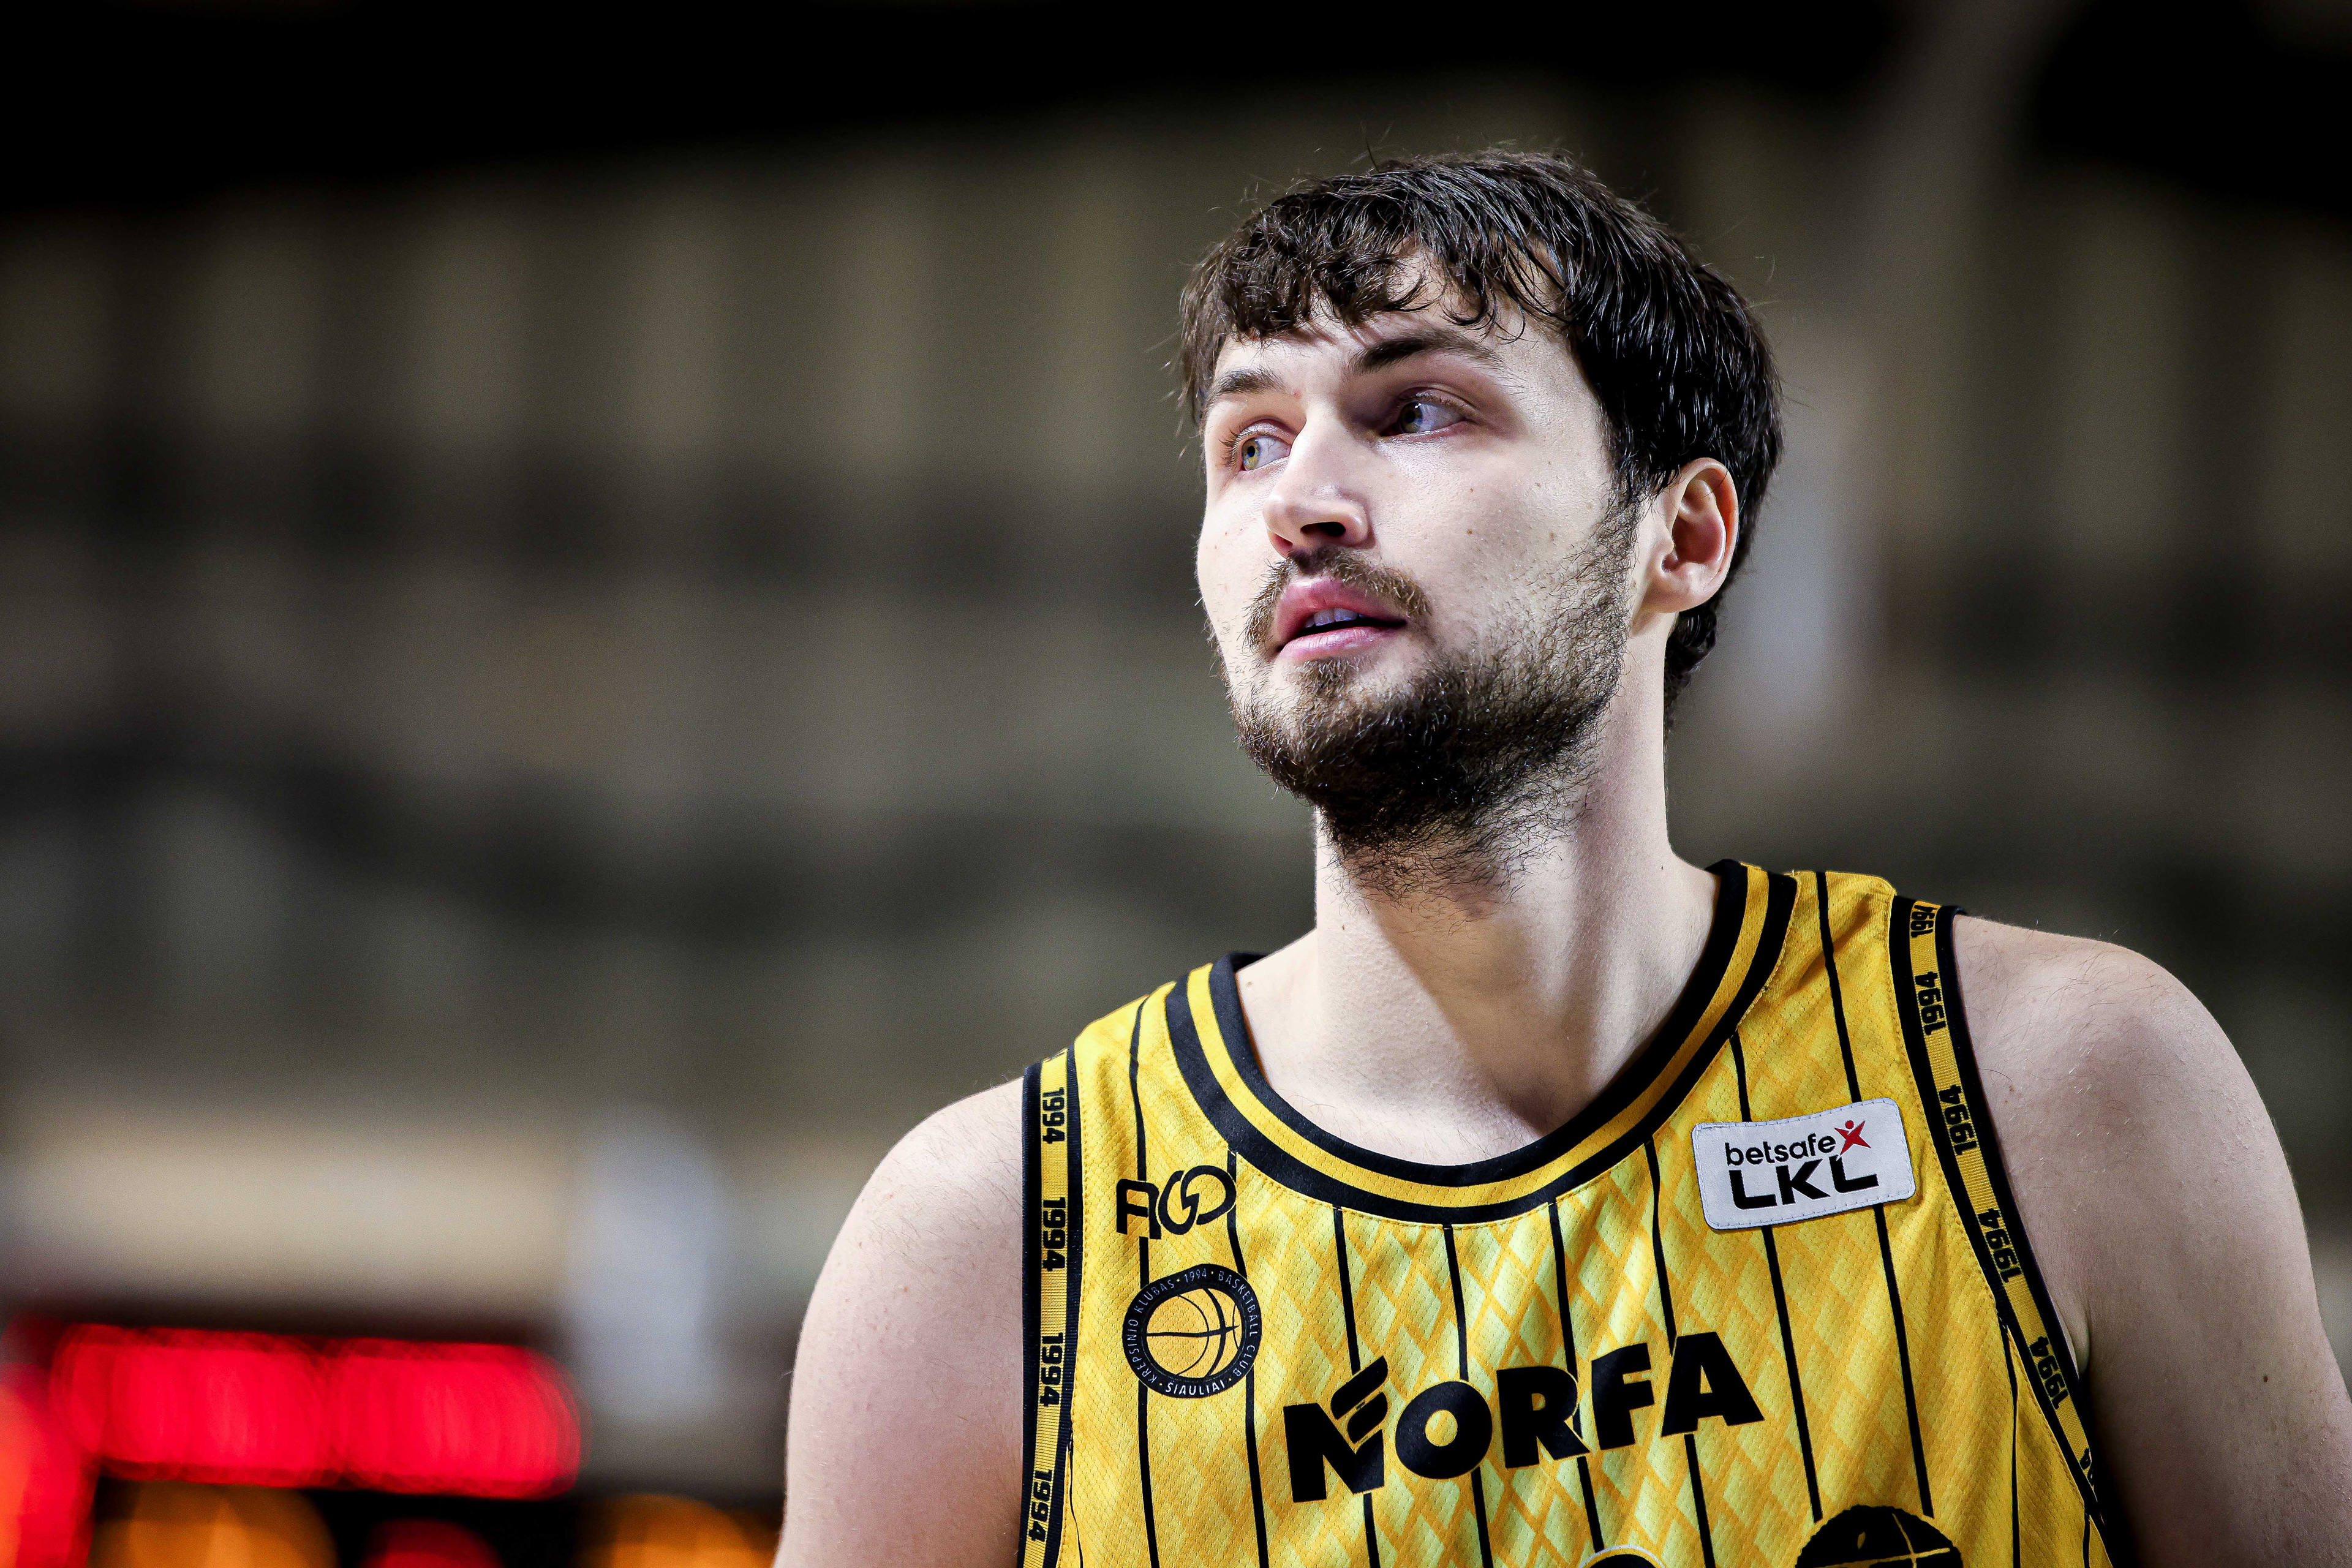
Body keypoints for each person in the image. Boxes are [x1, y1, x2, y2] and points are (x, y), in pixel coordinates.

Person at [777, 151, 2352, 1567]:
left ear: (1685, 535)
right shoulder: (990, 1239)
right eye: (1249, 441)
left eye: (1418, 409)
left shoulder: (2067, 1087)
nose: (1301, 503)